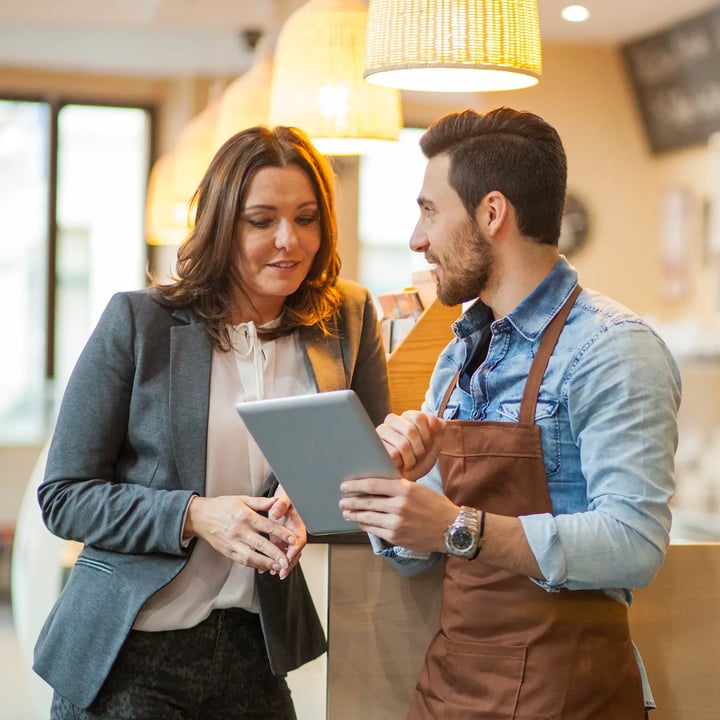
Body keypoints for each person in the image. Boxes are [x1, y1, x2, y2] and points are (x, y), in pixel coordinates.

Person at [34, 125, 391, 719]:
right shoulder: (138, 322)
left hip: (255, 649)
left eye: (307, 218)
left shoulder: (347, 321)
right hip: (131, 648)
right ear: (223, 223)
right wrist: (197, 515)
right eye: (262, 220)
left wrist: (315, 504)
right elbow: (64, 497)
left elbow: (367, 485)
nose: (289, 241)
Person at [339, 107, 680, 719]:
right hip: (450, 689)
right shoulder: (456, 356)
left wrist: (456, 527)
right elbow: (422, 553)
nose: (418, 239)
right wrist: (400, 487)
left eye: (429, 211)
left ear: (492, 213)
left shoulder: (613, 349)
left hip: (567, 694)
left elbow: (634, 543)